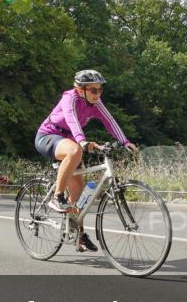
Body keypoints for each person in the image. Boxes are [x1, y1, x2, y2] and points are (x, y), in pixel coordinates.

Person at [35, 70, 137, 253]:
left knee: (78, 191)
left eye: (100, 90)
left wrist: (125, 141)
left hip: (70, 140)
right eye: (93, 90)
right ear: (80, 89)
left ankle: (79, 233)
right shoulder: (70, 98)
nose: (98, 94)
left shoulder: (96, 103)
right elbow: (72, 119)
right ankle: (57, 196)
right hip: (48, 136)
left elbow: (110, 120)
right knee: (75, 151)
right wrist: (82, 141)